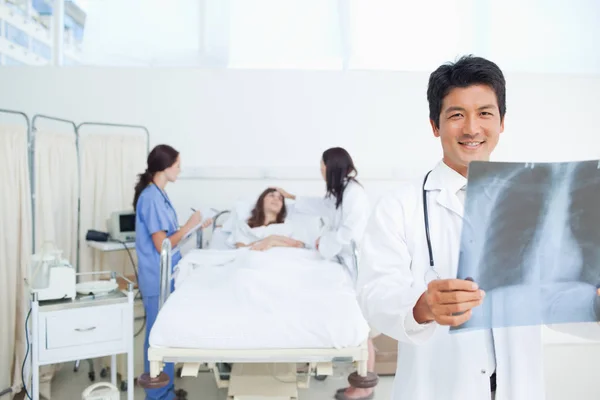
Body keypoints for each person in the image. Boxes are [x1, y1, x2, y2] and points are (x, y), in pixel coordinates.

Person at [355, 55, 600, 400]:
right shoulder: (398, 206)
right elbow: (375, 294)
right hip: (438, 389)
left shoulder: (535, 201)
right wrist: (423, 306)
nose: (472, 128)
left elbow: (552, 300)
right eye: (456, 115)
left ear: (501, 122)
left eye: (485, 113)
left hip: (518, 387)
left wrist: (591, 303)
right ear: (434, 125)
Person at [276, 147, 377, 400]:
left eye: (322, 167)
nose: (321, 171)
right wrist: (289, 198)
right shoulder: (340, 192)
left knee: (361, 326)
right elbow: (320, 206)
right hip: (342, 263)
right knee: (352, 323)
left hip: (357, 267)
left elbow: (349, 234)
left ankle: (365, 386)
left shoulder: (354, 194)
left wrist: (324, 243)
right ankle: (357, 381)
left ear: (330, 167)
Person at [133, 144, 211, 400]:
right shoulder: (152, 197)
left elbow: (169, 236)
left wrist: (195, 228)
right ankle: (157, 396)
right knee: (158, 336)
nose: (180, 169)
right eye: (178, 165)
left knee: (163, 333)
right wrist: (189, 225)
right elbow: (161, 244)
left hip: (166, 275)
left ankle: (164, 390)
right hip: (157, 278)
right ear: (165, 167)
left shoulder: (158, 194)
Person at [229, 187, 305, 250]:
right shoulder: (244, 225)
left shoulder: (288, 225)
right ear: (262, 200)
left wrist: (273, 241)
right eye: (272, 195)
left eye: (280, 198)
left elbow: (299, 246)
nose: (276, 199)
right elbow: (241, 249)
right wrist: (267, 241)